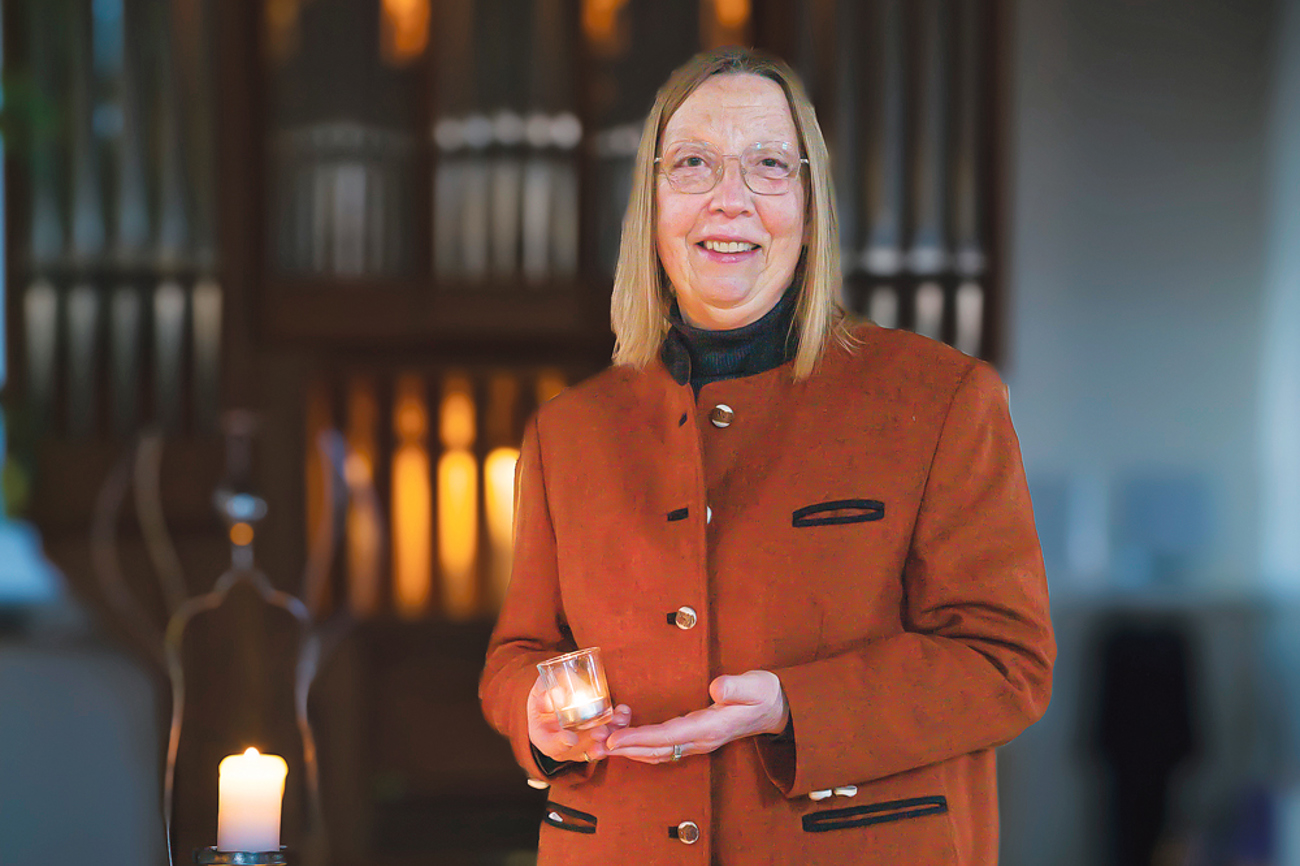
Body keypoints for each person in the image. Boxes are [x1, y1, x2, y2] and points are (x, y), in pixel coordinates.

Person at [480, 46, 1054, 865]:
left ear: (810, 208)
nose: (730, 198)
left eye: (768, 165)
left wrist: (791, 706)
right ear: (651, 205)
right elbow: (518, 657)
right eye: (693, 164)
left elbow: (1006, 663)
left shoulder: (942, 400)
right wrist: (535, 718)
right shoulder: (564, 433)